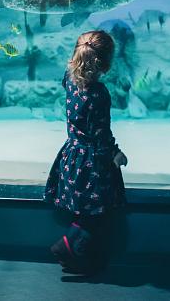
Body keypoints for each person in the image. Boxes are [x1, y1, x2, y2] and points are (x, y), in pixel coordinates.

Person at [43, 30, 128, 274]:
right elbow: (101, 132)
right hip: (92, 160)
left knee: (82, 208)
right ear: (105, 63)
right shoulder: (99, 93)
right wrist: (116, 153)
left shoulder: (68, 79)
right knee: (96, 212)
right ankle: (67, 245)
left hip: (72, 155)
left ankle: (80, 256)